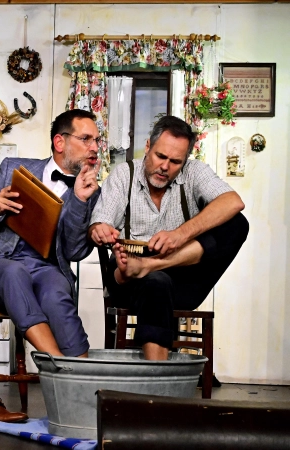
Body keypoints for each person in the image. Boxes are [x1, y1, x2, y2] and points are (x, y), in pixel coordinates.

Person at [89, 115, 248, 360]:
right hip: (128, 275)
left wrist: (179, 235)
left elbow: (233, 202)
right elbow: (101, 221)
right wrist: (100, 228)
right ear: (148, 146)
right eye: (160, 156)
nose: (165, 167)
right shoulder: (124, 175)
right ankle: (157, 378)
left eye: (175, 162)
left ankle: (151, 265)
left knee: (237, 224)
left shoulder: (194, 172)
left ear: (185, 160)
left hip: (182, 277)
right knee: (156, 283)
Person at [0, 109, 102, 357]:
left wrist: (80, 200)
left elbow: (74, 252)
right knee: (13, 272)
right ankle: (57, 363)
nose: (94, 147)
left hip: (46, 269)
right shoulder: (13, 168)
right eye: (86, 139)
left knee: (56, 292)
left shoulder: (93, 193)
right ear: (59, 142)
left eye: (97, 140)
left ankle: (82, 374)